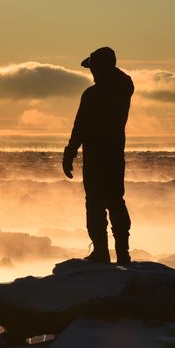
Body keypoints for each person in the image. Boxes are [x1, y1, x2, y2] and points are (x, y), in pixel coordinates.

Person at [62, 46, 133, 263]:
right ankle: (122, 253)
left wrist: (69, 152)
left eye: (94, 68)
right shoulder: (124, 88)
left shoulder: (93, 95)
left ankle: (102, 252)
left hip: (97, 157)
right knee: (115, 202)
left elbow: (80, 127)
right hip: (114, 155)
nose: (92, 73)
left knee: (95, 204)